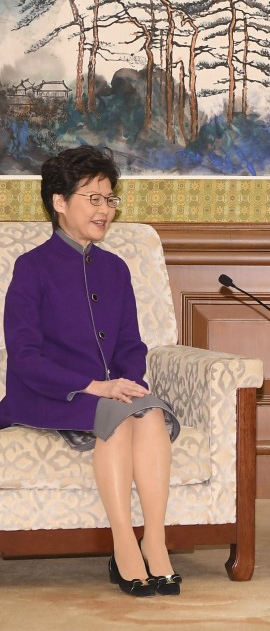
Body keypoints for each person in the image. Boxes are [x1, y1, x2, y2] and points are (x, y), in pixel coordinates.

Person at [0, 145, 182, 598]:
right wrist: (94, 386)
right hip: (47, 392)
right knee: (117, 420)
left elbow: (130, 344)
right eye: (93, 199)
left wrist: (128, 383)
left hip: (106, 390)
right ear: (59, 202)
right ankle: (124, 548)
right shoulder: (31, 268)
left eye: (110, 199)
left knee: (151, 411)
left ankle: (155, 542)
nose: (104, 210)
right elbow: (24, 356)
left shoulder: (115, 268)